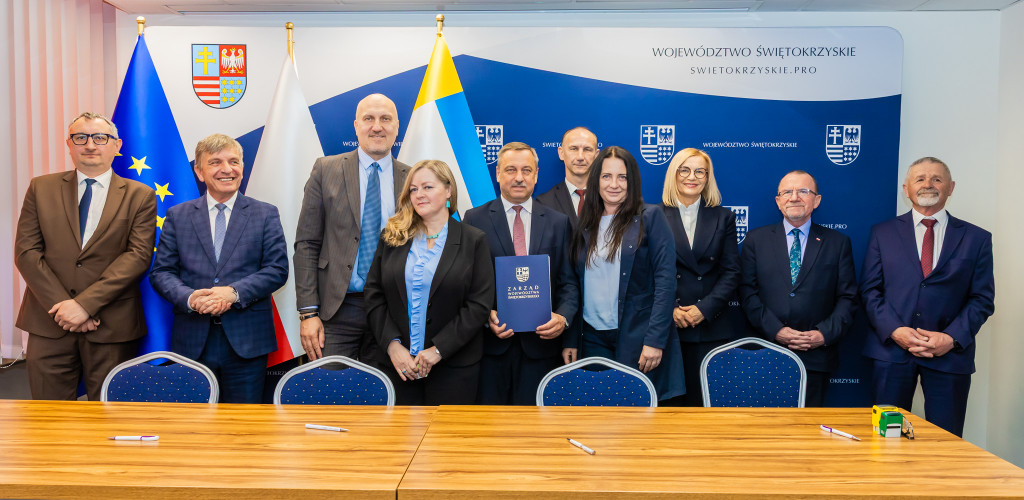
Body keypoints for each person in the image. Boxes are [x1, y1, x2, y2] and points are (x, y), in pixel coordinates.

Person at [14, 112, 157, 400]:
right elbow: (27, 252)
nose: (90, 145)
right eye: (81, 137)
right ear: (69, 144)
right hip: (49, 322)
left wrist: (84, 306)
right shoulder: (40, 188)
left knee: (110, 415)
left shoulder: (140, 195)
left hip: (112, 325)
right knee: (49, 417)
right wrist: (65, 309)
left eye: (100, 138)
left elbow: (137, 257)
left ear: (116, 145)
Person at [150, 134, 289, 403]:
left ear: (242, 168)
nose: (227, 169)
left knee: (243, 422)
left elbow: (277, 269)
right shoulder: (178, 215)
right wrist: (191, 297)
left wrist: (233, 293)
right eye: (215, 162)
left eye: (233, 161)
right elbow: (161, 272)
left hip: (247, 342)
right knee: (194, 423)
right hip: (192, 340)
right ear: (199, 172)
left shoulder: (265, 213)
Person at [861, 157, 994, 437]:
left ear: (951, 187)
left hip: (949, 356)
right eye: (919, 179)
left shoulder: (977, 238)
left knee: (946, 441)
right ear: (906, 189)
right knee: (887, 440)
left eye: (937, 179)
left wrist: (951, 338)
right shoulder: (882, 233)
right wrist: (895, 331)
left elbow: (982, 299)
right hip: (892, 354)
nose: (928, 184)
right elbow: (870, 291)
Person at [293, 93, 410, 368]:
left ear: (397, 127)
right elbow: (307, 243)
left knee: (386, 391)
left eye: (385, 119)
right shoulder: (326, 170)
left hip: (392, 311)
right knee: (329, 391)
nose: (377, 126)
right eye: (369, 118)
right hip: (335, 311)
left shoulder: (412, 178)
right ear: (356, 126)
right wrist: (308, 313)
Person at [364, 160, 494, 405]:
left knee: (447, 431)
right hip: (398, 366)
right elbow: (374, 293)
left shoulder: (473, 240)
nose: (419, 194)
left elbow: (479, 305)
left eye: (427, 187)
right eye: (413, 189)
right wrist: (393, 346)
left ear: (448, 191)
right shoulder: (392, 237)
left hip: (453, 367)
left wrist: (438, 349)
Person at [564, 146, 684, 401]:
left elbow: (665, 282)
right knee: (599, 412)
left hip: (638, 337)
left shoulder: (651, 217)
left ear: (633, 181)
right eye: (606, 176)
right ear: (596, 180)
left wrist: (655, 341)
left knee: (637, 413)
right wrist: (571, 339)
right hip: (592, 338)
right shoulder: (585, 223)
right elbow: (574, 284)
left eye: (622, 177)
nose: (614, 184)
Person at [463, 142, 578, 405]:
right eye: (510, 170)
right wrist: (485, 316)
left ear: (536, 175)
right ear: (498, 173)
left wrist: (563, 318)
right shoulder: (474, 219)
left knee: (536, 424)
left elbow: (569, 282)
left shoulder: (558, 222)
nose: (519, 177)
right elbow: (466, 284)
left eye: (526, 170)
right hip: (491, 348)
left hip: (542, 348)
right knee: (491, 424)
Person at [739, 170, 857, 407]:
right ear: (778, 201)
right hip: (767, 351)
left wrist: (823, 335)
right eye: (787, 192)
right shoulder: (756, 240)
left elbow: (848, 298)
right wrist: (776, 330)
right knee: (766, 426)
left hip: (816, 356)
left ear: (817, 200)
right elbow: (747, 293)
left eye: (803, 191)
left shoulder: (837, 243)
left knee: (808, 427)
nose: (794, 197)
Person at [660, 148, 741, 406]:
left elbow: (731, 272)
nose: (691, 177)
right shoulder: (652, 215)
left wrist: (703, 310)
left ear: (707, 178)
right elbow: (646, 272)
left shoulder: (723, 217)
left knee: (706, 409)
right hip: (667, 328)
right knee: (668, 412)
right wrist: (671, 309)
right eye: (684, 170)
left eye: (700, 171)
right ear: (674, 174)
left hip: (709, 329)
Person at [536, 127, 599, 229]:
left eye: (587, 149)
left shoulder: (609, 199)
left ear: (596, 156)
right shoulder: (544, 203)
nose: (580, 157)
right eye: (574, 149)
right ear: (561, 153)